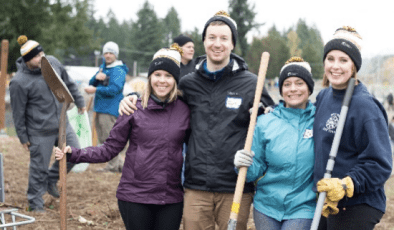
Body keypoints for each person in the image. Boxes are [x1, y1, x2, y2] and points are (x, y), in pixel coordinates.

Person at [119, 10, 275, 230]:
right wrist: (131, 98)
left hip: (236, 186)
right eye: (212, 38)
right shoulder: (188, 83)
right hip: (196, 186)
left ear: (232, 44)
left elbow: (274, 121)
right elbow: (160, 98)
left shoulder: (251, 84)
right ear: (204, 42)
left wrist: (263, 118)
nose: (217, 44)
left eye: (224, 38)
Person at [55, 45, 190, 230]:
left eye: (168, 76)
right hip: (135, 195)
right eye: (157, 75)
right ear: (149, 78)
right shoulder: (133, 108)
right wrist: (75, 153)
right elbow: (109, 149)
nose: (162, 81)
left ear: (175, 80)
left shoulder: (185, 110)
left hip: (170, 197)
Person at [313, 26, 393, 230]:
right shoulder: (323, 97)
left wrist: (346, 184)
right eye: (330, 59)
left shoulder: (365, 106)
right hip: (325, 199)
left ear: (354, 65)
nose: (335, 66)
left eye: (343, 60)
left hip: (357, 203)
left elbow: (380, 163)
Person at [234, 57, 316, 230]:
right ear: (281, 90)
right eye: (287, 84)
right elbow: (255, 168)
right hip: (267, 206)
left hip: (303, 205)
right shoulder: (265, 122)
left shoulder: (320, 120)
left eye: (299, 83)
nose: (293, 89)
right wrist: (243, 164)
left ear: (309, 87)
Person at [9, 35, 86, 212]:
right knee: (38, 169)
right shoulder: (19, 82)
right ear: (28, 60)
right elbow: (17, 111)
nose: (41, 58)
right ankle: (35, 204)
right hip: (39, 131)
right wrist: (23, 136)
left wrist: (80, 101)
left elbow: (68, 83)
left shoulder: (52, 63)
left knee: (75, 153)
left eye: (42, 53)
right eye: (36, 56)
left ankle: (51, 179)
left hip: (62, 123)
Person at [85, 41, 129, 173]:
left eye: (111, 53)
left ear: (116, 55)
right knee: (104, 138)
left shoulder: (118, 70)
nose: (108, 55)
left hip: (110, 109)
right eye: (106, 53)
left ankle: (112, 167)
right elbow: (92, 83)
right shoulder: (103, 68)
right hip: (100, 108)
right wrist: (97, 78)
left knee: (109, 138)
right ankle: (120, 164)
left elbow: (115, 89)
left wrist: (96, 90)